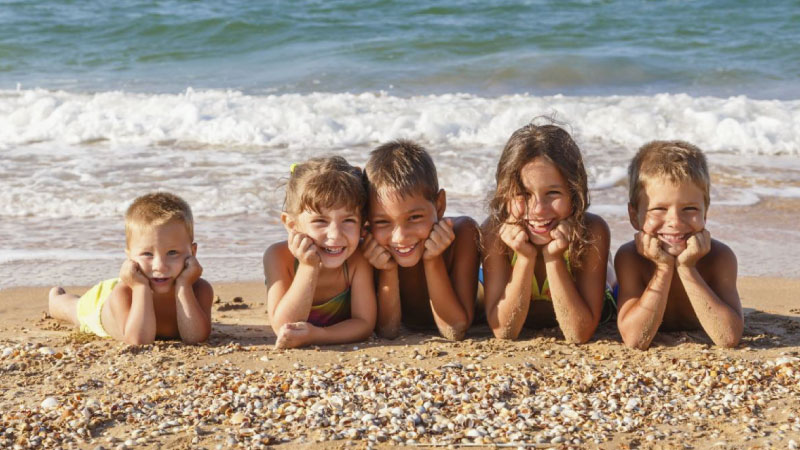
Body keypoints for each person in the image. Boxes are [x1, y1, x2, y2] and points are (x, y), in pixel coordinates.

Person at [482, 123, 613, 343]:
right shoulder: (494, 233)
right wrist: (524, 258)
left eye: (553, 193)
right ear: (504, 195)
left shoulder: (592, 231)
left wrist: (554, 257)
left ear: (575, 193)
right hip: (502, 277)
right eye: (523, 194)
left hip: (599, 283)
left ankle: (607, 265)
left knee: (609, 278)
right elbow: (505, 331)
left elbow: (577, 334)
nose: (538, 209)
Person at [615, 140, 743, 349]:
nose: (675, 221)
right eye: (659, 209)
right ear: (634, 215)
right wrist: (663, 268)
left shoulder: (720, 257)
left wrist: (687, 268)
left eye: (690, 209)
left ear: (705, 213)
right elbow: (636, 339)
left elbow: (727, 337)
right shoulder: (630, 258)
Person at [48, 192, 213, 345]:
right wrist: (140, 287)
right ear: (130, 256)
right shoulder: (124, 293)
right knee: (73, 310)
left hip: (138, 280)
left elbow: (195, 337)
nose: (160, 266)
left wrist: (184, 285)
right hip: (105, 299)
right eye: (147, 254)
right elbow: (138, 340)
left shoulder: (199, 289)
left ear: (192, 252)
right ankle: (55, 298)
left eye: (172, 253)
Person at [361, 140, 479, 341]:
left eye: (414, 218)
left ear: (440, 205)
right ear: (367, 220)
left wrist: (432, 260)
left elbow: (455, 329)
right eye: (382, 222)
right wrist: (388, 271)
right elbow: (387, 331)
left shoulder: (463, 233)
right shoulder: (367, 245)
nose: (400, 237)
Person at [264, 157, 376, 349]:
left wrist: (318, 335)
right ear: (292, 225)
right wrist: (308, 267)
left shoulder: (358, 259)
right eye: (320, 221)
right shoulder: (278, 257)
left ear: (362, 223)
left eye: (348, 220)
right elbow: (283, 327)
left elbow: (364, 324)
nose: (335, 234)